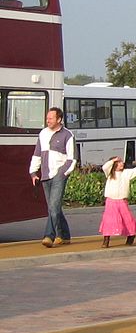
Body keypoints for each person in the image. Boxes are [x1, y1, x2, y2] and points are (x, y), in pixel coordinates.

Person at [29, 106, 76, 248]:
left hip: (59, 175)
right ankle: (66, 235)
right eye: (47, 118)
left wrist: (63, 172)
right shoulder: (42, 134)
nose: (47, 120)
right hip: (45, 174)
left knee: (54, 206)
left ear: (59, 119)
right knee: (53, 207)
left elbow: (72, 158)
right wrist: (33, 172)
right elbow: (37, 154)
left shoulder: (68, 135)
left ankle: (52, 235)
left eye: (50, 118)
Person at [98, 156, 136, 248]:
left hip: (122, 200)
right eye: (119, 162)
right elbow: (105, 167)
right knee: (109, 220)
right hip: (111, 200)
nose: (122, 164)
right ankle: (106, 239)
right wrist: (113, 160)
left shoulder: (126, 173)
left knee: (127, 218)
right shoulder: (110, 174)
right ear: (114, 165)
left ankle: (131, 235)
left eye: (122, 162)